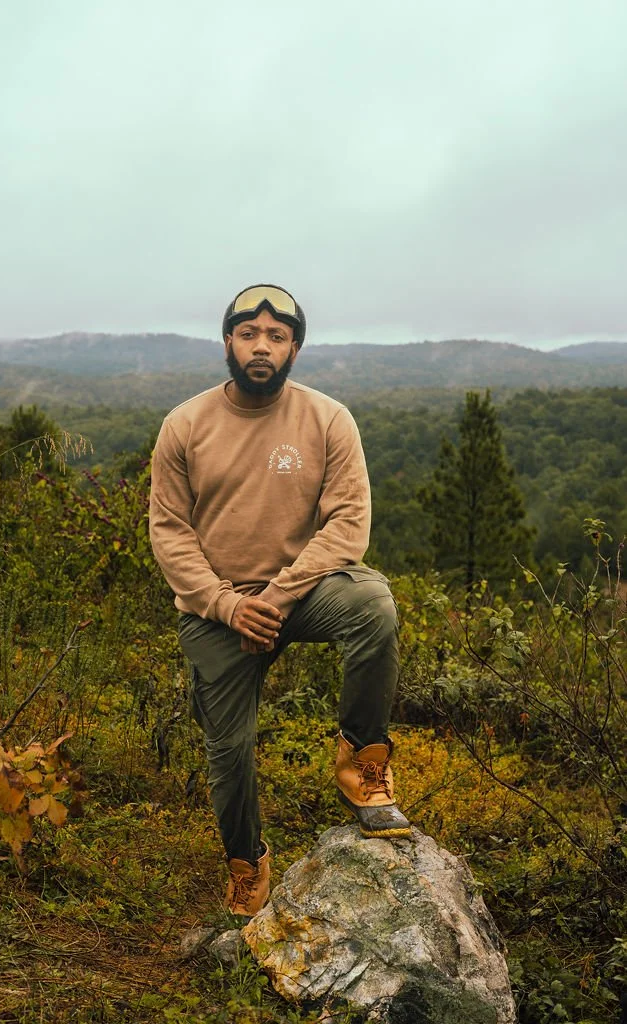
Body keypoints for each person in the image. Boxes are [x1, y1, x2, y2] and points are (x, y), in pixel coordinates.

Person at [149, 284, 410, 919]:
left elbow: (348, 526)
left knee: (373, 605)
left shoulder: (328, 419)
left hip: (301, 592)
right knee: (229, 753)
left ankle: (363, 764)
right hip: (218, 609)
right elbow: (169, 531)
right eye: (248, 334)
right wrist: (226, 605)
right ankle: (247, 865)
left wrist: (277, 596)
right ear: (228, 342)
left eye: (276, 336)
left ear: (295, 348)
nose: (261, 346)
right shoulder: (185, 424)